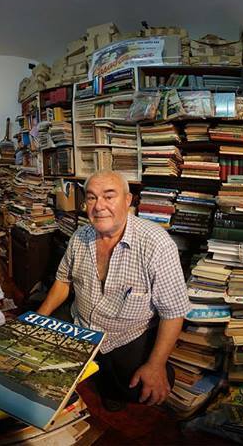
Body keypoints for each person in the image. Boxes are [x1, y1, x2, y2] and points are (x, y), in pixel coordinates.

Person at [37, 170, 190, 412]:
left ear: (128, 200)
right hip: (81, 323)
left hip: (124, 334)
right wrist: (38, 319)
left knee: (142, 388)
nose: (99, 206)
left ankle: (107, 375)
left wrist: (156, 365)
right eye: (91, 197)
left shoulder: (157, 244)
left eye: (109, 197)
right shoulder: (80, 236)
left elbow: (173, 312)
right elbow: (63, 281)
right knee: (38, 361)